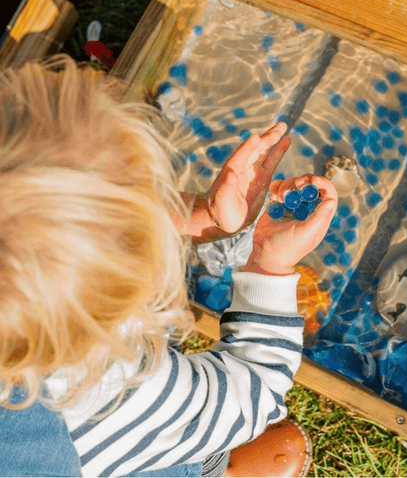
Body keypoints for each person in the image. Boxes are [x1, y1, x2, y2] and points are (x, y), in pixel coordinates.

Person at [0, 56, 338, 477]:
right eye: (145, 195)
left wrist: (198, 219)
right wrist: (269, 264)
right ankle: (214, 466)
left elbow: (48, 226)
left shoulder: (37, 312)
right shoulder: (114, 389)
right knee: (180, 453)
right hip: (105, 454)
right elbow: (255, 389)